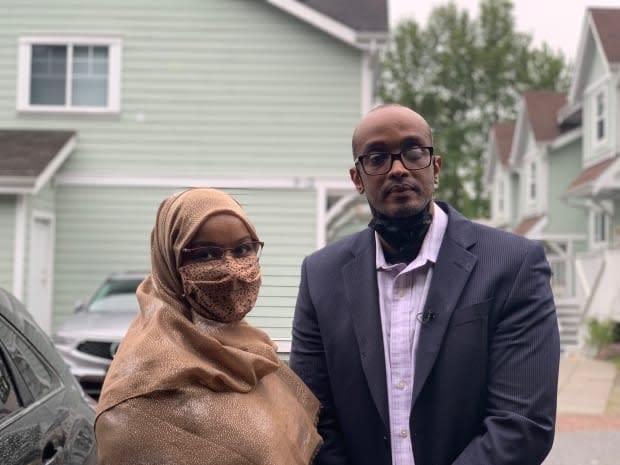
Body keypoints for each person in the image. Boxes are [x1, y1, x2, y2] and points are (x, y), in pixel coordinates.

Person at [289, 104, 560, 465]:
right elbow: (312, 418)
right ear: (357, 178)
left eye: (414, 152)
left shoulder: (513, 265)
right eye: (377, 158)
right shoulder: (320, 276)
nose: (398, 169)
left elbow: (522, 424)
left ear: (435, 168)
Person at [95, 187, 322, 465]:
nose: (231, 269)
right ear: (170, 262)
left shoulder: (252, 353)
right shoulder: (141, 391)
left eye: (242, 249)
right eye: (204, 255)